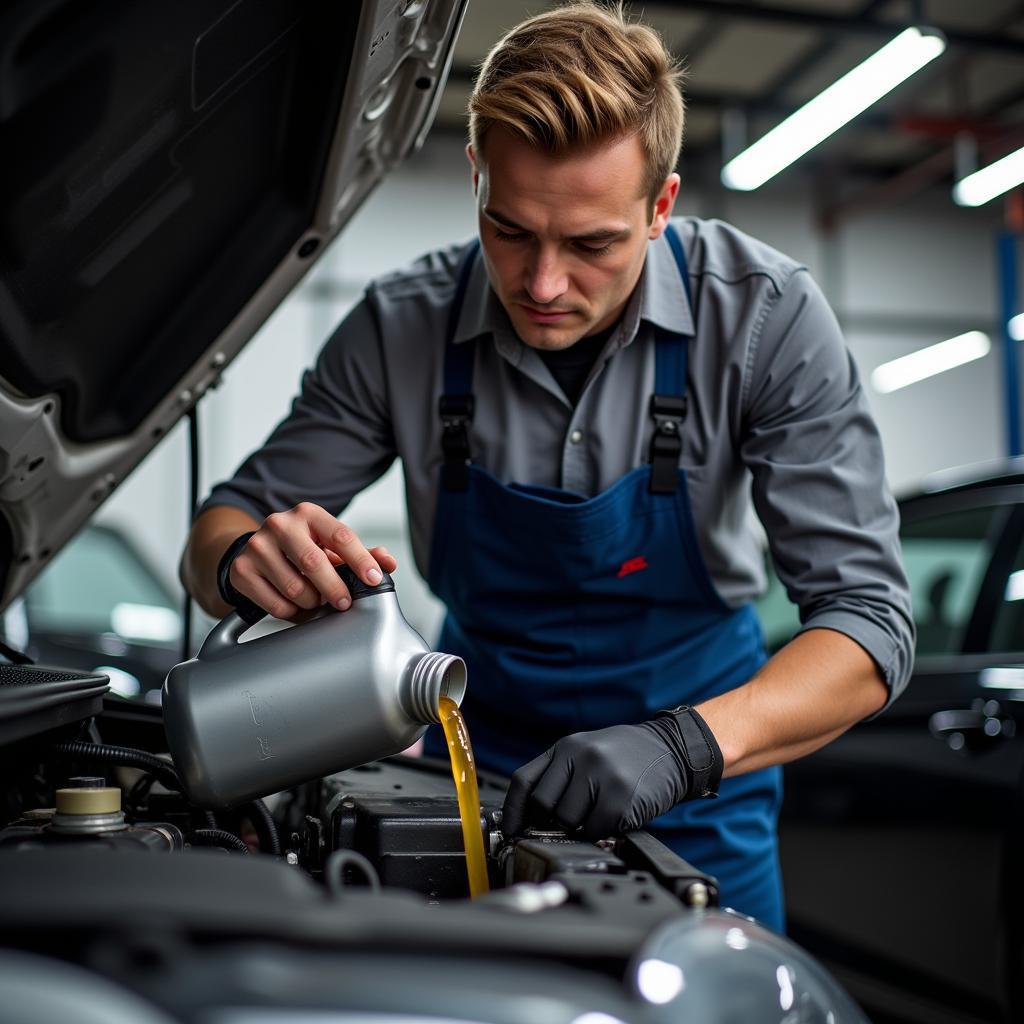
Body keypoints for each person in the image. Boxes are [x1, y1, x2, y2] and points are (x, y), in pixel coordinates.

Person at [180, 1, 913, 932]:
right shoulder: (401, 327)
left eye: (593, 244)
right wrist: (244, 559)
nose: (542, 285)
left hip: (702, 789)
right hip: (480, 777)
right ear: (477, 175)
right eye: (512, 230)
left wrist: (683, 747)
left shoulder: (764, 320)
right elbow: (216, 530)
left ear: (660, 208)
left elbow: (870, 627)